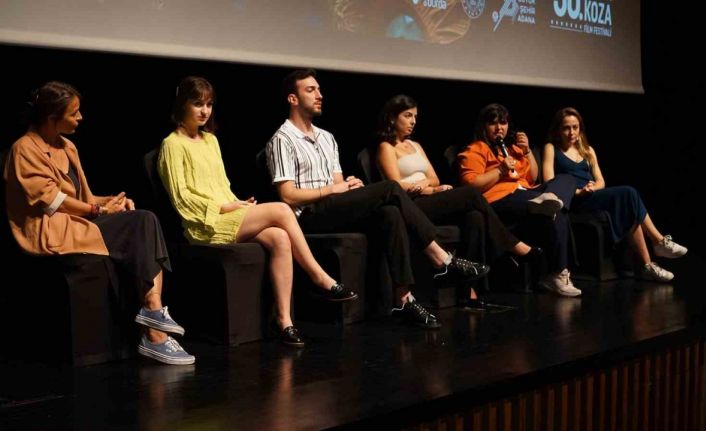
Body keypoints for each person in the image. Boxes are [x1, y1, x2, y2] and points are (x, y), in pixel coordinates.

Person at [265, 69, 489, 330]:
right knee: (390, 188)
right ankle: (441, 258)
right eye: (310, 90)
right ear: (293, 99)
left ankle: (403, 299)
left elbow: (337, 182)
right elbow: (287, 195)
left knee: (389, 212)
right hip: (308, 216)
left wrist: (349, 187)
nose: (319, 95)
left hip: (333, 207)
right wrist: (333, 189)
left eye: (319, 89)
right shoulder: (282, 139)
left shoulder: (327, 137)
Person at [158, 76, 357, 348]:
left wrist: (238, 203)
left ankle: (284, 321)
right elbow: (181, 198)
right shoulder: (172, 144)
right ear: (182, 105)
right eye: (197, 104)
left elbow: (221, 186)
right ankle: (319, 277)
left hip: (228, 214)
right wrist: (224, 207)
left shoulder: (210, 141)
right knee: (282, 210)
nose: (205, 111)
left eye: (209, 104)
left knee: (280, 237)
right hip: (204, 224)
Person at [4, 81, 194, 365]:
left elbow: (84, 197)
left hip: (76, 220)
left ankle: (153, 312)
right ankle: (154, 329)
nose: (80, 117)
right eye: (74, 113)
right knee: (140, 225)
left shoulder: (67, 147)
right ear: (52, 117)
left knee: (144, 218)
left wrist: (111, 202)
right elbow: (53, 202)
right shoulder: (24, 149)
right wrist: (98, 210)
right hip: (51, 229)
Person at [375, 94, 543, 304]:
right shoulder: (386, 147)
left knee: (475, 217)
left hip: (429, 196)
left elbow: (434, 178)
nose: (413, 121)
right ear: (392, 118)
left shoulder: (415, 145)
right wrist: (426, 189)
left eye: (415, 117)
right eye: (408, 116)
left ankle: (468, 290)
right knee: (471, 193)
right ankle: (512, 245)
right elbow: (395, 186)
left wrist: (428, 185)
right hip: (410, 205)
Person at [543, 107, 687, 282]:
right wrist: (578, 192)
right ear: (558, 130)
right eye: (566, 128)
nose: (571, 132)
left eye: (575, 127)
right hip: (572, 199)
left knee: (631, 210)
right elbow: (549, 181)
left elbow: (601, 181)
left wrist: (592, 188)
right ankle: (658, 242)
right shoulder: (551, 148)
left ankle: (648, 265)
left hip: (591, 195)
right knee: (629, 193)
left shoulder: (587, 150)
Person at [457, 103, 581, 297]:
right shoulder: (476, 149)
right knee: (557, 210)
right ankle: (558, 273)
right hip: (500, 198)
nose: (499, 128)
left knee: (567, 180)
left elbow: (533, 177)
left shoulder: (512, 148)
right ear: (483, 126)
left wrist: (527, 151)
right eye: (493, 123)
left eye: (503, 123)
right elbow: (470, 185)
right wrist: (500, 170)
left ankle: (550, 200)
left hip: (527, 194)